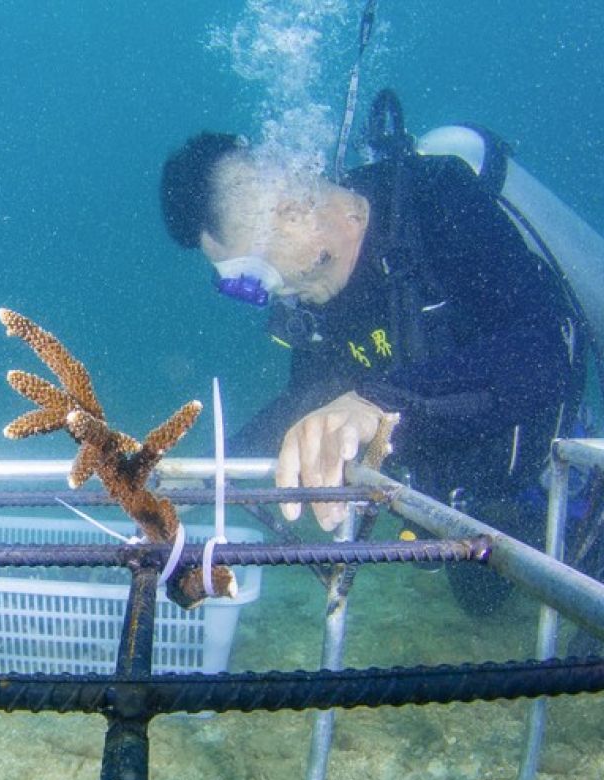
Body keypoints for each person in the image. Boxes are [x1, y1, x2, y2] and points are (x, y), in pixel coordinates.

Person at [159, 121, 585, 614]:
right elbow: (305, 408)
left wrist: (377, 404)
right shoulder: (314, 305)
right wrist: (204, 478)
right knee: (482, 602)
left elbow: (542, 351)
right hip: (471, 502)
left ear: (293, 213)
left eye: (247, 276)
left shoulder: (436, 202)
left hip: (557, 474)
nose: (260, 294)